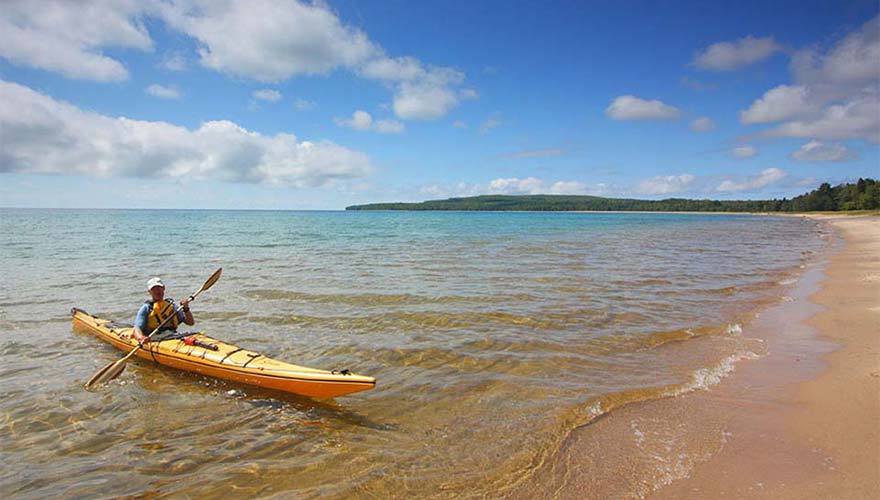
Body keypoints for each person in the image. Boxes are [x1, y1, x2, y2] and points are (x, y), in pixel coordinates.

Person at [133, 277, 194, 345]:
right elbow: (137, 328)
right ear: (149, 291)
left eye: (159, 288)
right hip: (155, 338)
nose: (157, 291)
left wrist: (186, 308)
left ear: (163, 288)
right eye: (154, 289)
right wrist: (140, 337)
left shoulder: (172, 306)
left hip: (172, 336)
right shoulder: (146, 308)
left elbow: (190, 322)